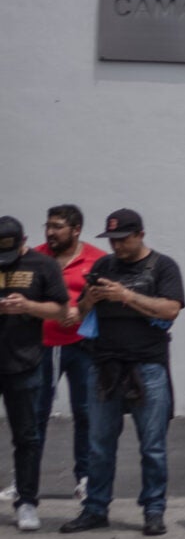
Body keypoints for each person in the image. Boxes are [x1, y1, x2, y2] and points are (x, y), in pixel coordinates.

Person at [64, 208, 185, 536]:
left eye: (122, 239)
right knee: (99, 443)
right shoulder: (104, 266)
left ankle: (154, 509)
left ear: (140, 235)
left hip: (147, 366)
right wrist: (90, 298)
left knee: (153, 445)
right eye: (112, 240)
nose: (117, 246)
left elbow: (171, 309)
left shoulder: (162, 266)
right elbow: (79, 314)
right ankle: (95, 508)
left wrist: (126, 295)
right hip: (104, 364)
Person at [0, 217, 70, 532]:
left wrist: (27, 305)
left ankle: (26, 502)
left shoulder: (43, 265)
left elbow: (59, 310)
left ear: (23, 240)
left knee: (27, 436)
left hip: (24, 362)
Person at [36, 204, 103, 513]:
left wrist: (82, 309)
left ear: (76, 230)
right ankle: (26, 481)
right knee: (34, 414)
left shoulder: (97, 260)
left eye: (58, 226)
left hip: (82, 346)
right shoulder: (34, 258)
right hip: (42, 345)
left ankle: (85, 477)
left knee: (86, 412)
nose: (50, 232)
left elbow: (104, 299)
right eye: (48, 226)